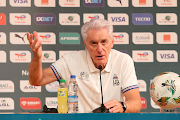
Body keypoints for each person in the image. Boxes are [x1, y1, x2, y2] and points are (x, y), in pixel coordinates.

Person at [27, 18, 142, 113]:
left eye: (104, 42)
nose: (99, 49)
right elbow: (37, 80)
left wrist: (123, 106)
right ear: (85, 44)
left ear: (112, 42)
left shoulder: (123, 61)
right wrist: (37, 58)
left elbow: (136, 103)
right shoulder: (70, 60)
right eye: (93, 43)